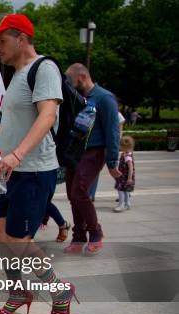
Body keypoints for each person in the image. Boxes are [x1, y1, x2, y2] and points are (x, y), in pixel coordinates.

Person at [0, 14, 76, 314]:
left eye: (2, 41)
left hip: (33, 170)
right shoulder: (16, 76)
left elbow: (47, 116)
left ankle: (59, 291)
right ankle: (18, 292)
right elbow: (19, 121)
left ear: (21, 39)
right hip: (10, 171)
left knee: (18, 239)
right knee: (0, 230)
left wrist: (16, 156)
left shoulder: (44, 68)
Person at [64, 63, 120, 254]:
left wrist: (113, 162)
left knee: (79, 191)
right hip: (75, 152)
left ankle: (96, 233)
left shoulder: (104, 98)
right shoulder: (76, 99)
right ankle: (78, 236)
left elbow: (113, 131)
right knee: (73, 195)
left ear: (81, 77)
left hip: (95, 151)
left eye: (70, 81)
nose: (68, 85)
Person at [89, 111, 125, 201]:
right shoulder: (99, 112)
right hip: (101, 146)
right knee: (95, 171)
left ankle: (124, 191)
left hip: (110, 146)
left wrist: (116, 145)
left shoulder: (117, 114)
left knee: (114, 171)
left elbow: (119, 132)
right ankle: (90, 194)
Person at [113, 136, 135, 212]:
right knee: (126, 190)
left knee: (120, 190)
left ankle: (121, 204)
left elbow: (131, 168)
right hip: (124, 176)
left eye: (120, 146)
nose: (119, 147)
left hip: (124, 177)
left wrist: (129, 178)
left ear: (125, 147)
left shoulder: (128, 157)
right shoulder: (126, 153)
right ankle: (127, 204)